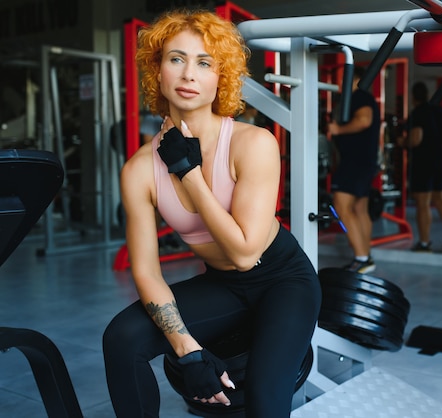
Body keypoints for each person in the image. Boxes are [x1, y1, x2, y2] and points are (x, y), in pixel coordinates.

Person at [102, 9, 321, 418]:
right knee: (121, 338)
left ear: (220, 77)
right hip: (223, 285)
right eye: (176, 59)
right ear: (157, 70)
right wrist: (187, 350)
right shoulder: (137, 170)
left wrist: (188, 173)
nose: (188, 75)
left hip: (282, 280)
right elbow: (147, 271)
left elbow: (244, 254)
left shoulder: (251, 143)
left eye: (204, 63)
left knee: (263, 399)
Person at [327, 66, 380, 274]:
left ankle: (362, 258)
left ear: (356, 79)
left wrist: (338, 129)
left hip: (355, 162)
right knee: (359, 208)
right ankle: (365, 254)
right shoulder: (363, 98)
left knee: (341, 204)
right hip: (363, 161)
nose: (341, 83)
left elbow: (364, 120)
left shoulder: (360, 97)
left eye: (344, 78)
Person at [398, 81, 442, 252]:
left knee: (422, 203)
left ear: (413, 97)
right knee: (440, 198)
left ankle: (424, 243)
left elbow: (416, 138)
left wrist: (403, 142)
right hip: (440, 161)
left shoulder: (418, 113)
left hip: (423, 162)